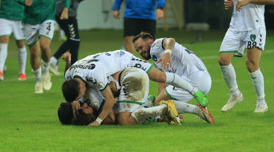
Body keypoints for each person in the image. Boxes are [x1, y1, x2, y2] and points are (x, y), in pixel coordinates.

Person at [60, 49, 208, 125]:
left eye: (78, 98)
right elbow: (68, 71)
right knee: (122, 110)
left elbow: (110, 101)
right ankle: (152, 109)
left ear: (80, 88)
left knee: (160, 77)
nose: (80, 101)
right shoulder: (70, 76)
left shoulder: (95, 76)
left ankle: (193, 91)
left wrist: (97, 121)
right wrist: (68, 61)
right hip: (121, 72)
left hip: (125, 60)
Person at [218, 0, 274, 114]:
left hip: (254, 25)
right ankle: (235, 94)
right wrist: (234, 2)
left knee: (251, 64)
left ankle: (261, 102)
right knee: (223, 59)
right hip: (236, 24)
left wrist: (249, 0)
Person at [11, 0, 70, 93]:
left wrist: (65, 8)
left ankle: (45, 72)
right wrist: (23, 0)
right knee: (33, 53)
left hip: (47, 17)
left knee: (44, 46)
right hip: (29, 18)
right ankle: (38, 80)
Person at [132, 32, 214, 124]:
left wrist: (167, 53)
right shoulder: (158, 59)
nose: (140, 52)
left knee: (160, 103)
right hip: (205, 81)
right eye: (137, 50)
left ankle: (197, 109)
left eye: (141, 47)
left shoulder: (156, 46)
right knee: (162, 102)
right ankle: (177, 114)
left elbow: (171, 40)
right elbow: (163, 82)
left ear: (150, 42)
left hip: (193, 78)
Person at [57, 67, 179, 126]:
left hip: (131, 79)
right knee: (124, 112)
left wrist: (98, 120)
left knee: (124, 120)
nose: (83, 104)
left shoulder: (90, 99)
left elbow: (111, 118)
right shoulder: (81, 89)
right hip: (131, 76)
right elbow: (69, 76)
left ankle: (163, 108)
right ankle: (152, 107)